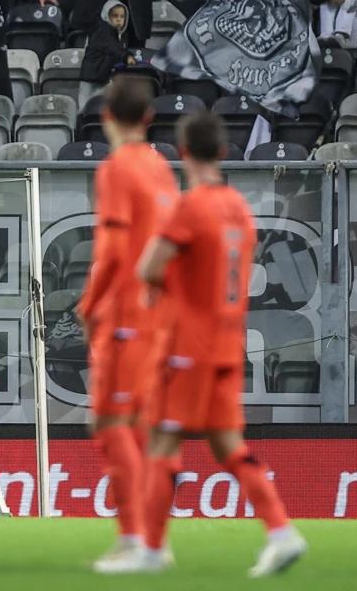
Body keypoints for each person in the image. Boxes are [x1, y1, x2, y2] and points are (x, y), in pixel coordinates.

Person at [127, 110, 308, 577]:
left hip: (191, 344)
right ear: (224, 152)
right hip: (230, 345)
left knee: (163, 440)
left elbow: (148, 268)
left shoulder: (191, 207)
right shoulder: (239, 210)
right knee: (229, 446)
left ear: (182, 153)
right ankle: (282, 531)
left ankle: (151, 549)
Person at [74, 75, 180, 573]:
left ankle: (134, 537)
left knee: (112, 423)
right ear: (150, 117)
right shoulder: (162, 169)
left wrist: (90, 303)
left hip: (124, 315)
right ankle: (154, 541)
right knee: (142, 426)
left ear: (106, 117)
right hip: (159, 314)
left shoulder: (118, 168)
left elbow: (114, 249)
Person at [80, 0, 134, 110]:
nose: (119, 19)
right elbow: (111, 47)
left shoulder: (119, 35)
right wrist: (126, 56)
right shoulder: (102, 30)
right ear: (107, 15)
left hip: (103, 76)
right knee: (85, 108)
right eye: (115, 16)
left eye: (122, 16)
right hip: (92, 76)